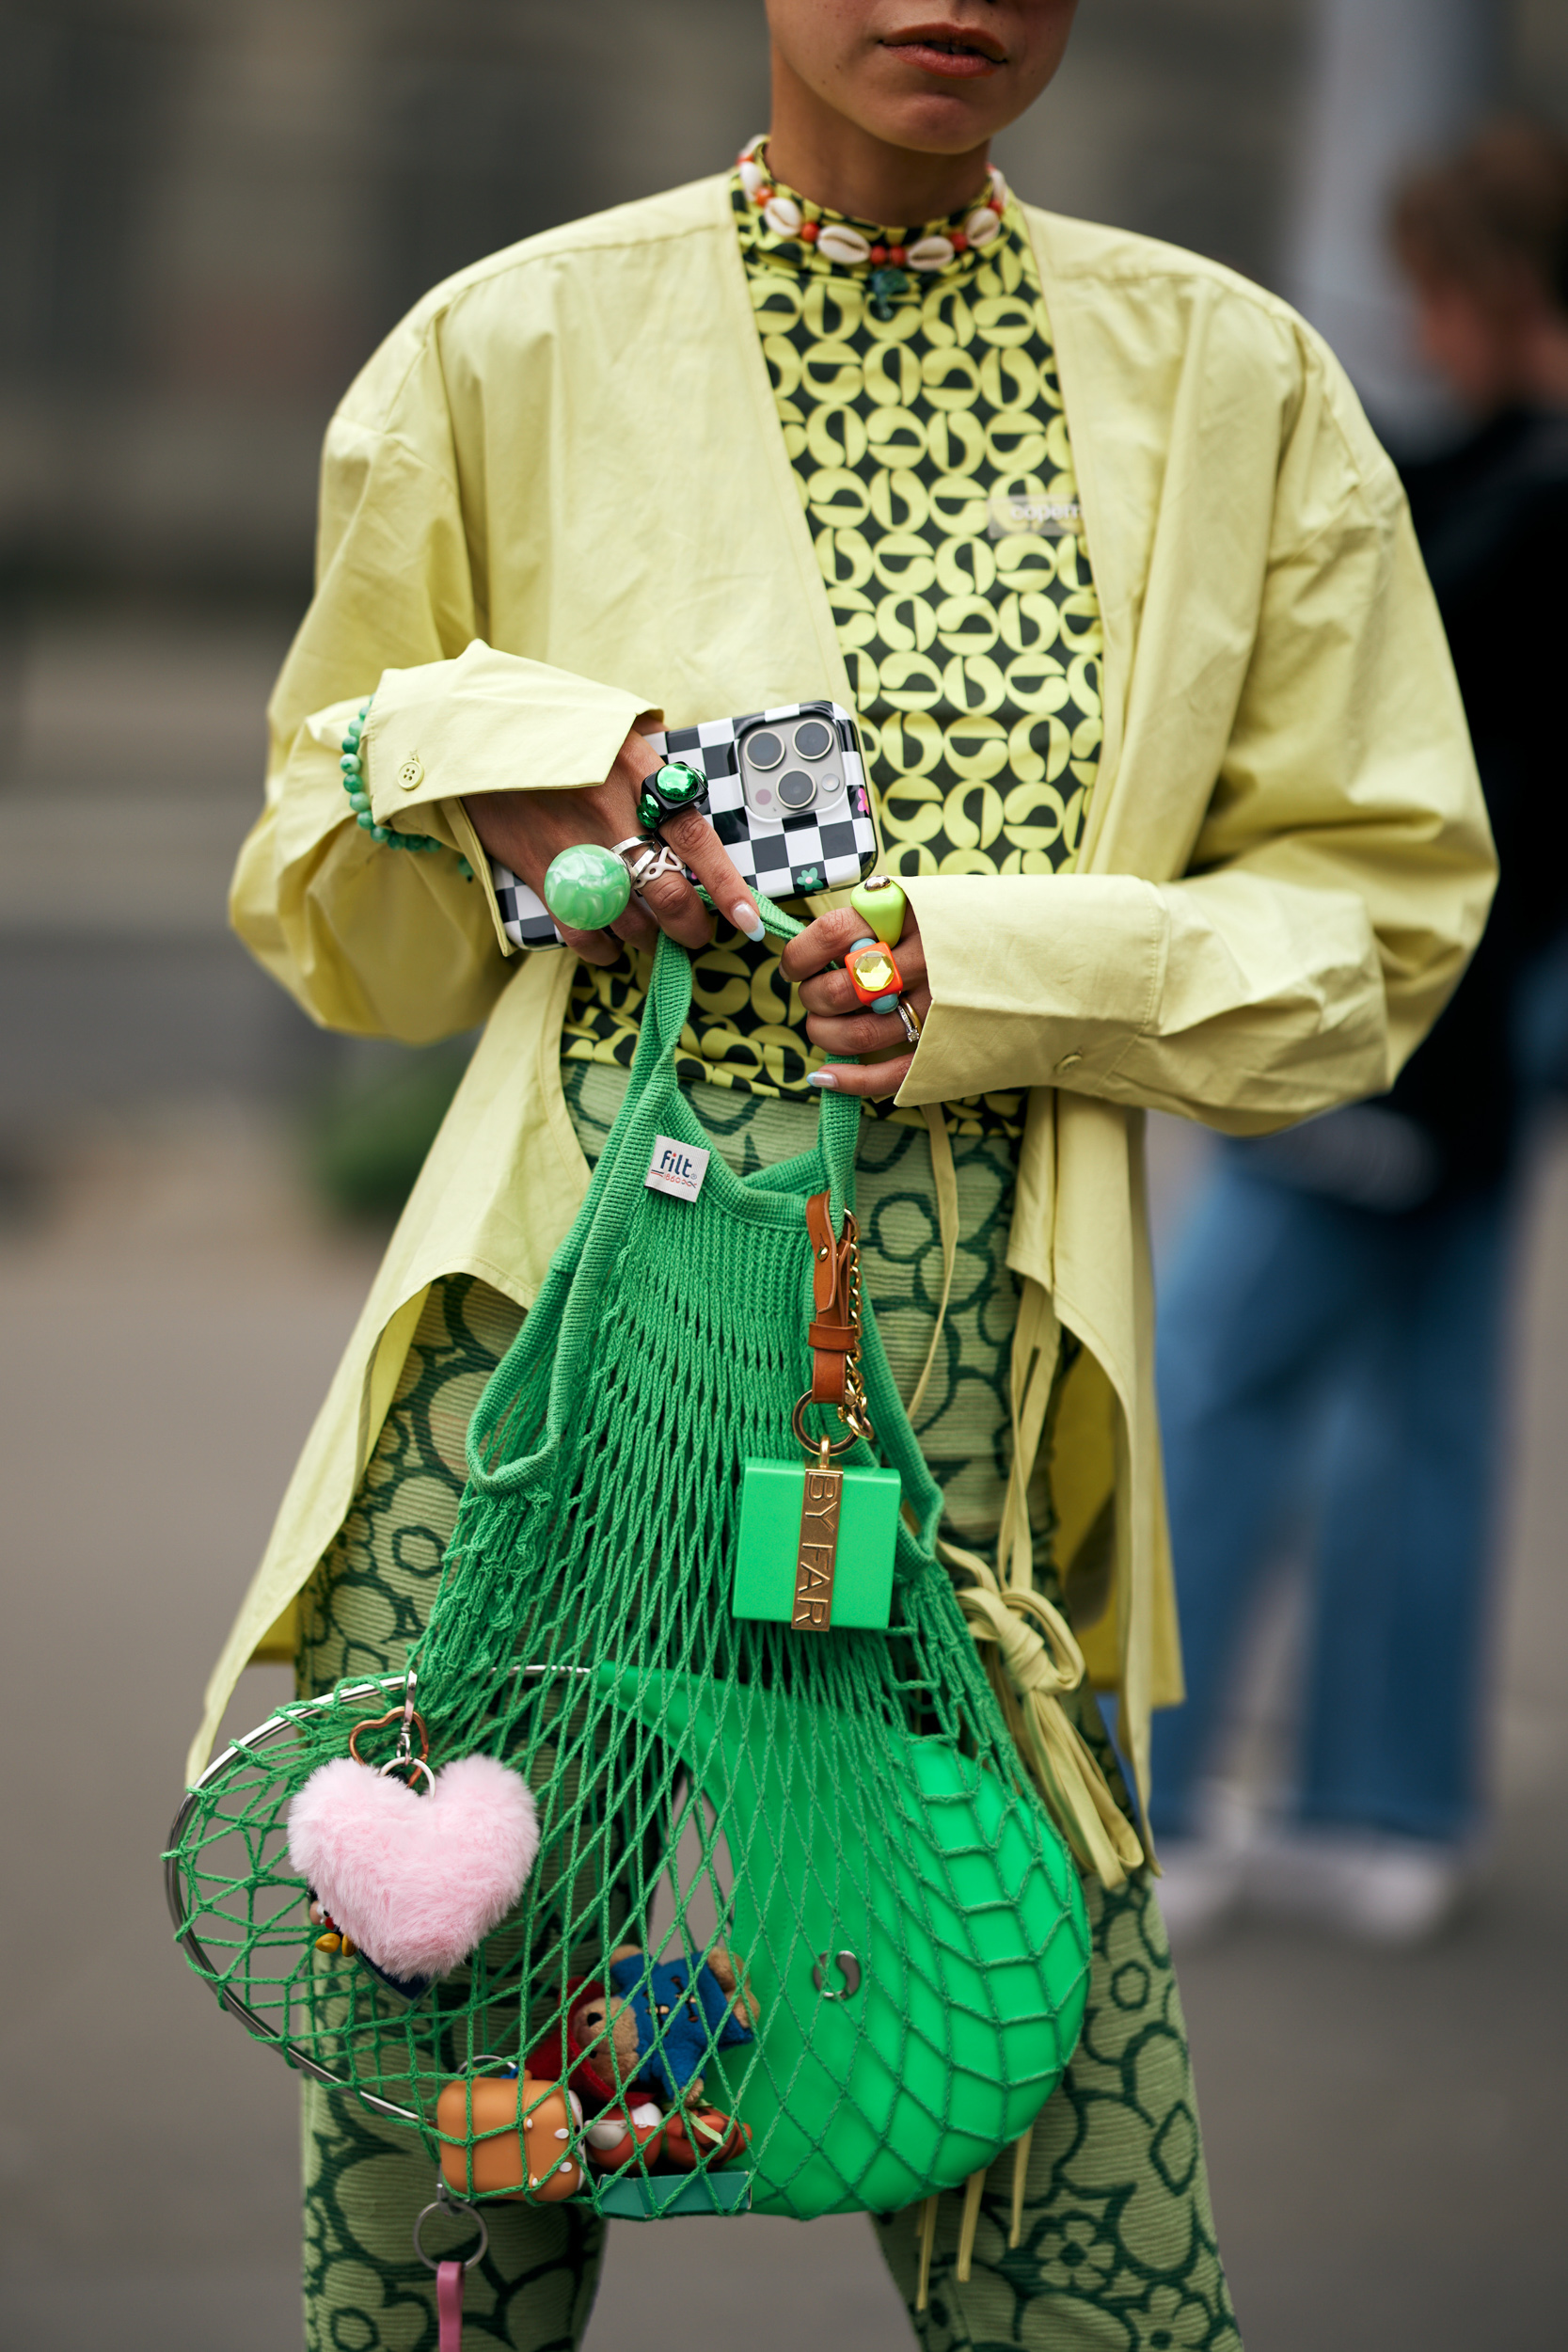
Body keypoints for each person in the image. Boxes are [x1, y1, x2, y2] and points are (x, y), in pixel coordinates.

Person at [189, 4, 1491, 2344]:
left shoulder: (1232, 382)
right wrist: (502, 777)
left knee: (1059, 2184)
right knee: (447, 2152)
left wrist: (984, 965)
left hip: (959, 1447)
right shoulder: (510, 341)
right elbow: (321, 896)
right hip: (540, 1408)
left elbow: (1377, 922)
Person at [1149, 118, 1568, 1946]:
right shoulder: (1504, 471)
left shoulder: (1518, 502)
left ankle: (1140, 1806)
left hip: (1380, 1017)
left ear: (1483, 288)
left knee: (1204, 1394)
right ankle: (1383, 1808)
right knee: (1425, 1404)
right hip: (1493, 1030)